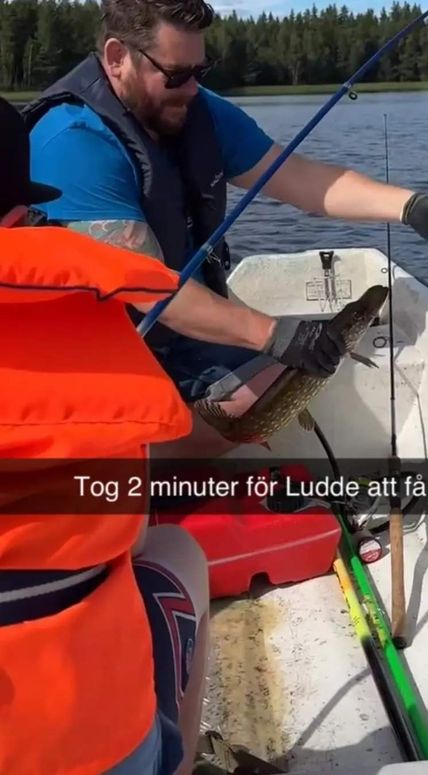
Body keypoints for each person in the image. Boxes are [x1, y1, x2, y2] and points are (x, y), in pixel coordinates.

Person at [23, 0, 428, 455]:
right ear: (117, 57)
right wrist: (275, 335)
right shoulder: (72, 143)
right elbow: (150, 290)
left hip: (176, 332)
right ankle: (131, 466)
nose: (192, 88)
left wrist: (408, 206)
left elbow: (299, 177)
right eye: (176, 75)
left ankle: (173, 454)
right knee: (185, 419)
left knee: (265, 396)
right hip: (94, 349)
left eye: (201, 71)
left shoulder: (197, 110)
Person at [0, 95, 210, 775]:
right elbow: (135, 535)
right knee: (176, 551)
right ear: (17, 220)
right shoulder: (97, 339)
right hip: (89, 743)